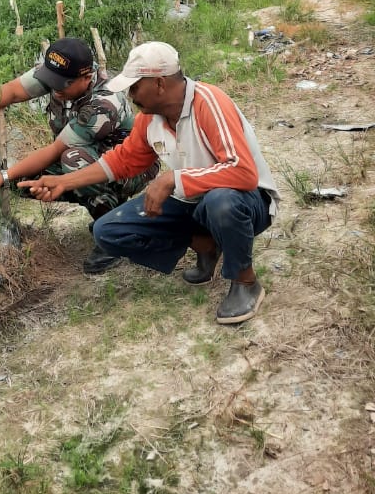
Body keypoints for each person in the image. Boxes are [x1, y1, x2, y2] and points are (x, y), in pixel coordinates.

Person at [19, 41, 280, 325]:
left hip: (247, 201)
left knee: (221, 202)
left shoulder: (209, 102)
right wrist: (64, 181)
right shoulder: (150, 119)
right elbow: (122, 161)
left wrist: (173, 178)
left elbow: (242, 172)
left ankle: (245, 282)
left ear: (158, 84)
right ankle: (206, 245)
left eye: (134, 87)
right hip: (195, 200)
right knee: (109, 231)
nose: (131, 95)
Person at [0, 37, 159, 274]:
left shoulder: (103, 103)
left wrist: (2, 175)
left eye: (62, 84)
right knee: (25, 182)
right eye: (51, 81)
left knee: (71, 160)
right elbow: (12, 91)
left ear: (86, 78)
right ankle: (108, 212)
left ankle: (115, 232)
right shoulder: (60, 74)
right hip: (90, 157)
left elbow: (56, 150)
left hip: (131, 167)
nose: (55, 89)